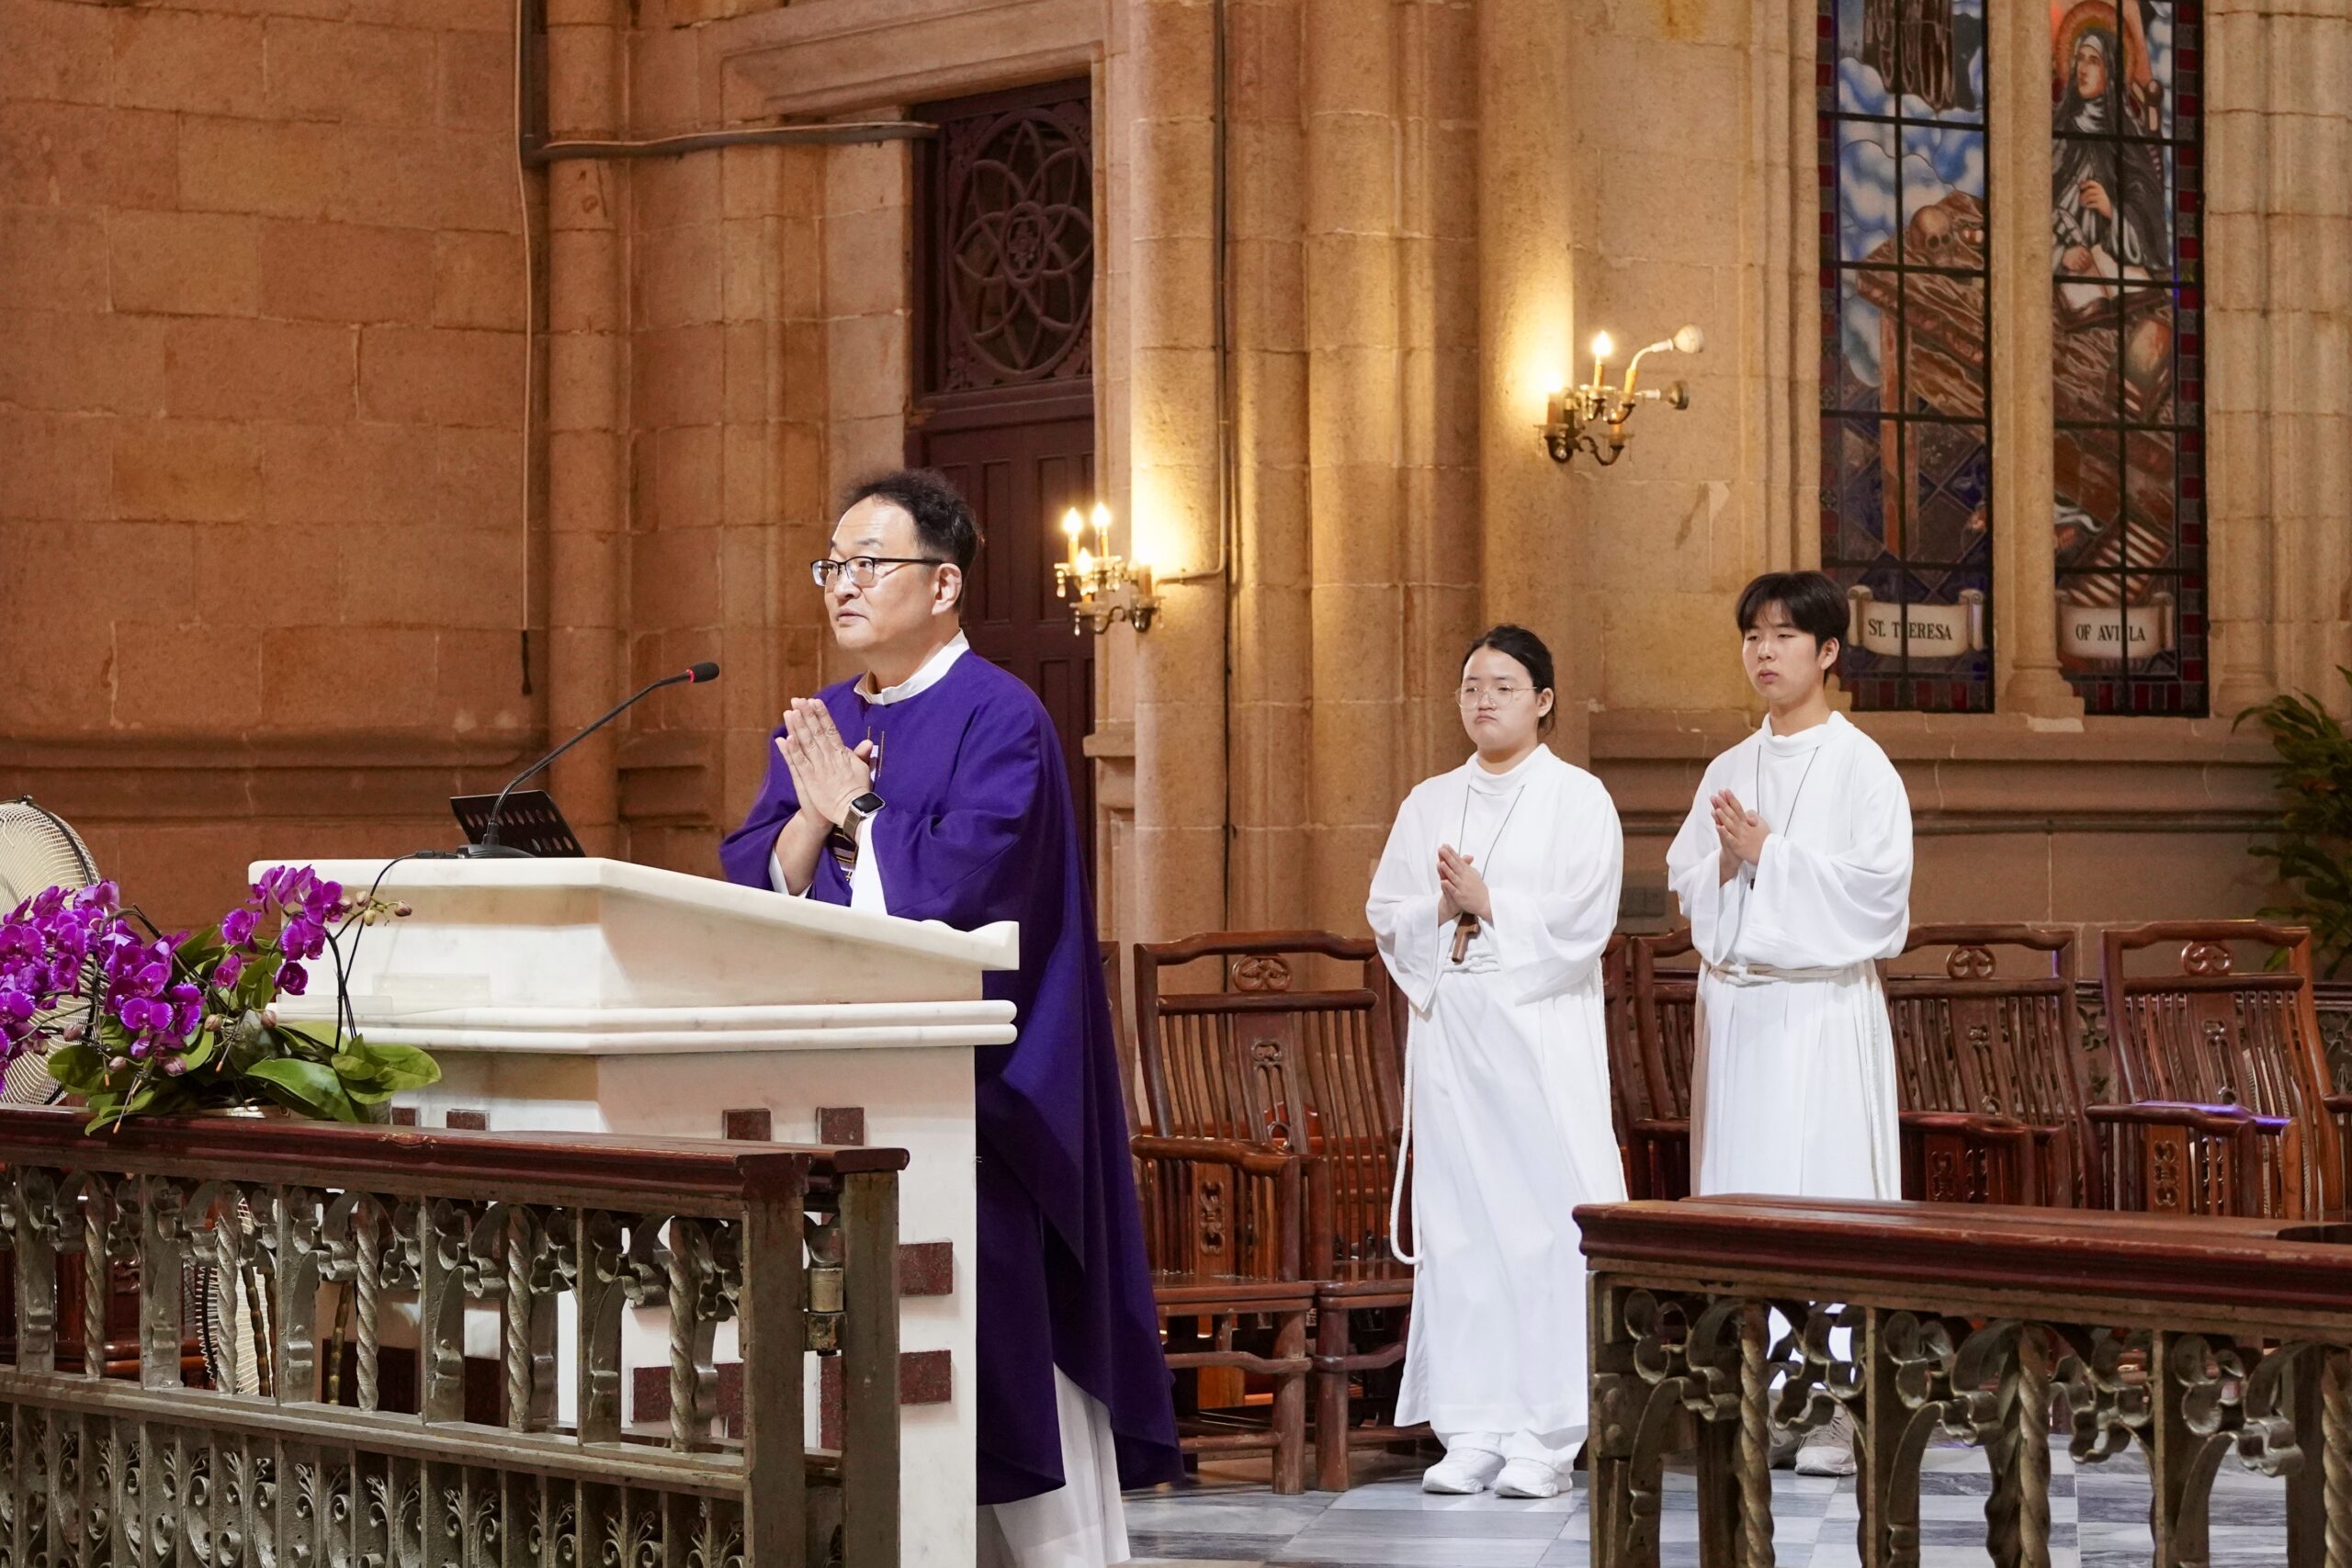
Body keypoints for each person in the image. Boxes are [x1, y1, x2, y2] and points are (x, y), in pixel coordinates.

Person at [718, 469, 1180, 1567]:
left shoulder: (1002, 715)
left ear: (942, 585)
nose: (842, 585)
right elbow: (754, 876)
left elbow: (973, 890)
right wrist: (811, 825)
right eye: (832, 565)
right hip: (834, 1088)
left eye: (868, 563)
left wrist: (856, 813)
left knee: (1000, 1344)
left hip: (984, 1105)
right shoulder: (824, 719)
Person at [1365, 625, 1628, 1500]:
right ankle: (1473, 1426)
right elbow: (1386, 910)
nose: (1483, 699)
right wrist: (1440, 911)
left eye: (1504, 686)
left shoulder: (1578, 798)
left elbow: (1586, 920)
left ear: (1544, 701)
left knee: (1543, 1227)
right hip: (1454, 1035)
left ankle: (1545, 1434)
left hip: (1537, 1032)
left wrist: (1491, 901)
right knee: (1462, 1228)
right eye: (1472, 685)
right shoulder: (1430, 801)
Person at [1664, 570, 1913, 1478]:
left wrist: (1770, 853)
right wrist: (1730, 865)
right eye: (1751, 636)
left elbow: (1879, 898)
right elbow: (1687, 878)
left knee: (1828, 1191)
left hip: (1820, 1010)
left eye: (1782, 636)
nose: (1763, 652)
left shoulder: (1861, 767)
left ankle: (1839, 1403)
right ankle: (1764, 1396)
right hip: (1740, 1010)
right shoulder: (1728, 768)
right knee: (1747, 1195)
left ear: (1828, 651)